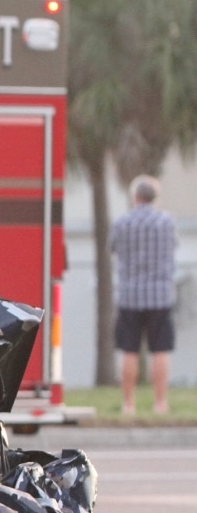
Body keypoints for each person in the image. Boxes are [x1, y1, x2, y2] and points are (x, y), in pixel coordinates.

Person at [110, 174, 179, 416]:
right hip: (160, 296)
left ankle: (129, 404)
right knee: (159, 350)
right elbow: (173, 247)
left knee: (129, 350)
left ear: (135, 196)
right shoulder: (166, 222)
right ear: (154, 197)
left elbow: (112, 248)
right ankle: (160, 403)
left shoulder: (122, 222)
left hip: (129, 295)